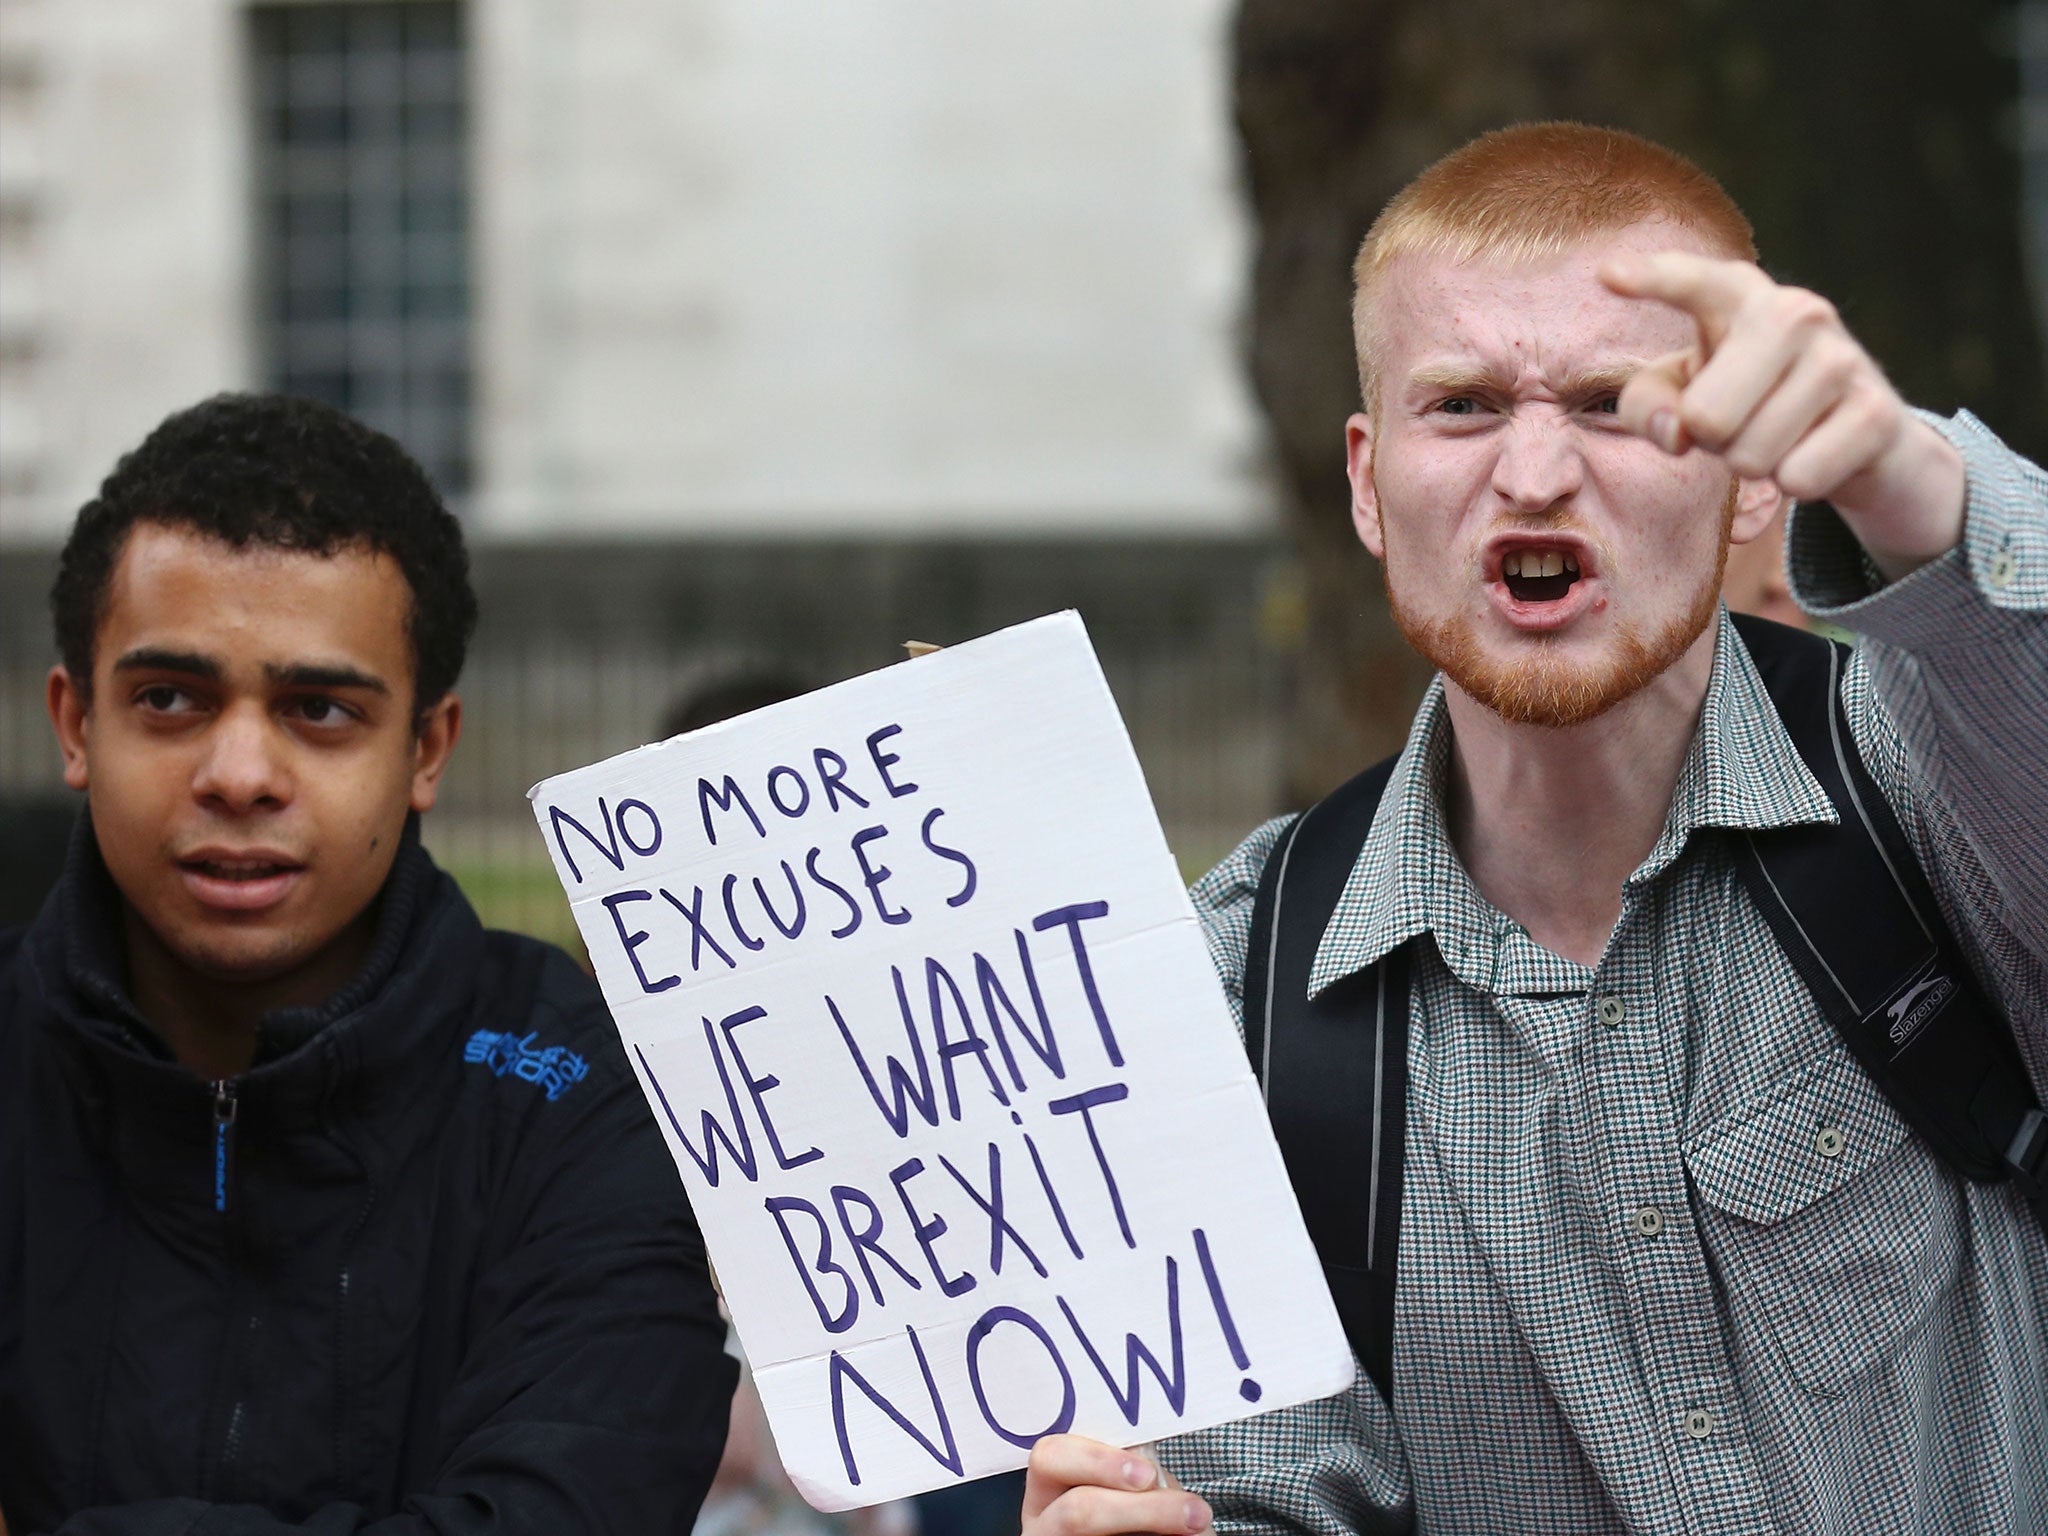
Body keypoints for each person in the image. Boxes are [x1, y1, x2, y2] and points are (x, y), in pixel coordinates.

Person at [1022, 123, 2047, 1532]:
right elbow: (1263, 1495)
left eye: (1616, 404)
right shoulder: (1238, 991)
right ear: (1371, 486)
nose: (1536, 471)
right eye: (1464, 407)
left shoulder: (1924, 784)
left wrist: (1917, 491)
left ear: (1755, 474)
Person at [0, 394, 736, 1534]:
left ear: (427, 749)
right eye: (168, 700)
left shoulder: (585, 1100)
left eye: (319, 711)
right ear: (76, 725)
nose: (240, 772)